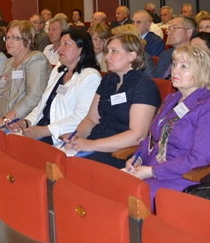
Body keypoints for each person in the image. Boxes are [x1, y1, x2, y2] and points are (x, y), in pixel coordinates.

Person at [123, 45, 210, 205]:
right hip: (150, 169)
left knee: (128, 195)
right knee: (111, 186)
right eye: (174, 64)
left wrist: (152, 171)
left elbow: (200, 159)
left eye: (184, 66)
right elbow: (152, 139)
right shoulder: (172, 99)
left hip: (185, 177)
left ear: (202, 70)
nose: (175, 70)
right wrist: (137, 158)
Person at [63, 32, 160, 168]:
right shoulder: (108, 80)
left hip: (119, 152)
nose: (107, 56)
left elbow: (137, 136)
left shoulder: (144, 85)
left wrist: (91, 144)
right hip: (96, 142)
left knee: (71, 167)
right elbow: (91, 119)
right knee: (57, 157)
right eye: (107, 51)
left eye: (114, 51)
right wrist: (76, 137)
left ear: (132, 56)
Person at [10, 29, 101, 145]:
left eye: (66, 44)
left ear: (81, 49)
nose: (60, 48)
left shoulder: (90, 77)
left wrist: (45, 131)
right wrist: (26, 122)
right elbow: (42, 106)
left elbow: (81, 118)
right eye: (60, 44)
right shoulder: (58, 71)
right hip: (41, 129)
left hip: (62, 137)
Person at [0, 21, 51, 127]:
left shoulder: (36, 59)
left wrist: (5, 119)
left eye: (15, 38)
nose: (9, 42)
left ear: (28, 41)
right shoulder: (10, 61)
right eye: (8, 37)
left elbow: (33, 97)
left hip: (16, 122)